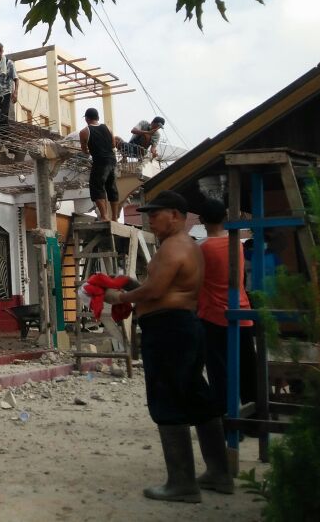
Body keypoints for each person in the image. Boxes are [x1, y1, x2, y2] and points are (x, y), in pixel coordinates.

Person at [104, 190, 234, 502]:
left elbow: (159, 288)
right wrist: (136, 288)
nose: (149, 219)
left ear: (175, 214)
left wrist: (120, 297)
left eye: (155, 213)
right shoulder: (185, 245)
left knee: (167, 399)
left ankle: (182, 483)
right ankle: (218, 473)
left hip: (168, 331)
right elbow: (161, 288)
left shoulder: (175, 246)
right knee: (196, 396)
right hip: (182, 326)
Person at [197, 197, 258, 413]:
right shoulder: (237, 245)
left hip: (213, 316)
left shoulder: (201, 249)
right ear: (225, 217)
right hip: (242, 312)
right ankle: (253, 419)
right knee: (247, 369)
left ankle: (227, 418)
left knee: (219, 371)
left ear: (202, 220)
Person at [78, 107, 119, 221]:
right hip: (112, 160)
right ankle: (115, 217)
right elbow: (113, 145)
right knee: (111, 187)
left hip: (100, 161)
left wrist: (92, 150)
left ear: (86, 118)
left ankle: (105, 216)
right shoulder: (108, 128)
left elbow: (84, 150)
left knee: (97, 187)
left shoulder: (84, 132)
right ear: (97, 117)